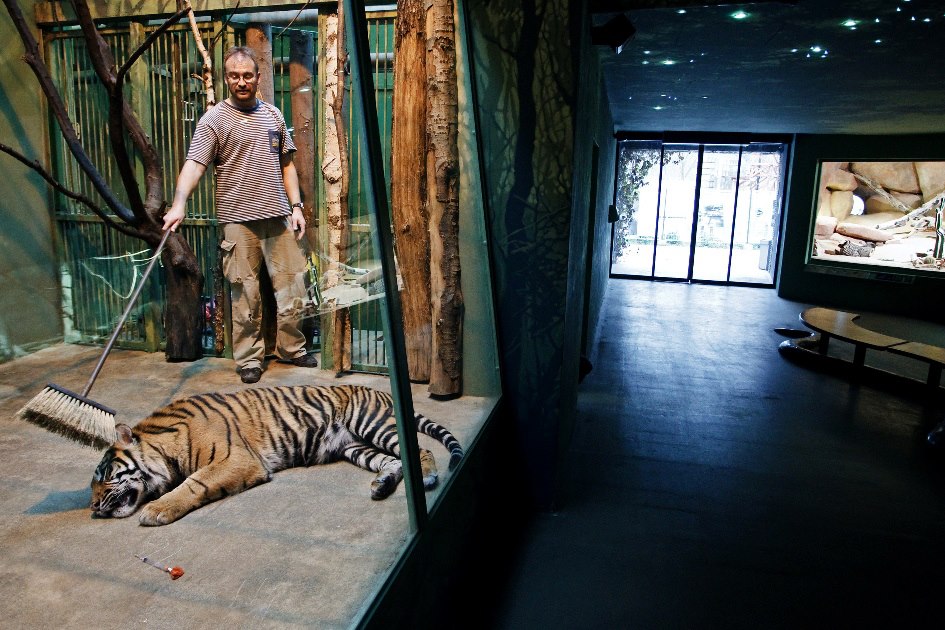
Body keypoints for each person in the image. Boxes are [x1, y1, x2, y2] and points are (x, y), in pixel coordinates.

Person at [163, 45, 317, 384]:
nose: (241, 82)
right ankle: (249, 358)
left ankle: (292, 348)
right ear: (226, 78)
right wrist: (179, 202)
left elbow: (287, 165)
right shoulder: (214, 120)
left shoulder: (274, 116)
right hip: (237, 220)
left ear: (258, 77)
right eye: (234, 76)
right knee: (244, 293)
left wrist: (297, 207)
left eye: (247, 75)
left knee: (295, 285)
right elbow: (194, 164)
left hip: (278, 217)